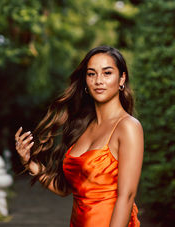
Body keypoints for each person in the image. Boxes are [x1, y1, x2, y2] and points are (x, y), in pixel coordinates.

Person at [15, 46, 143, 227]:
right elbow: (65, 188)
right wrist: (29, 162)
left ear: (122, 78)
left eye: (107, 73)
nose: (99, 80)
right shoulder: (81, 127)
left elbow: (127, 196)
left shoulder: (128, 127)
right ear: (85, 81)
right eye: (91, 74)